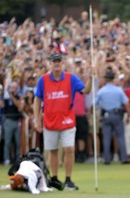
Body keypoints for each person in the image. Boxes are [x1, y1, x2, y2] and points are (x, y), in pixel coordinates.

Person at [33, 53, 92, 190]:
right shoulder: (44, 79)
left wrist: (90, 78)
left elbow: (86, 90)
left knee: (69, 149)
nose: (57, 64)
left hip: (67, 120)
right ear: (50, 64)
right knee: (53, 151)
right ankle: (54, 179)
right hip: (50, 120)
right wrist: (37, 119)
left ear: (62, 63)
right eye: (54, 62)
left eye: (59, 61)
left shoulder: (71, 78)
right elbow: (37, 99)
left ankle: (68, 180)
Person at [95, 70, 130, 164]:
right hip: (117, 115)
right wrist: (129, 115)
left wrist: (92, 112)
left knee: (106, 138)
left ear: (106, 79)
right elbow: (127, 103)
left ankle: (107, 159)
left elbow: (94, 104)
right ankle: (123, 158)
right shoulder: (118, 90)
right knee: (120, 137)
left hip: (106, 115)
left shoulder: (101, 91)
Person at [0, 82, 24, 166]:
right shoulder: (6, 98)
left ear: (17, 89)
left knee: (18, 142)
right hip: (8, 121)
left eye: (14, 88)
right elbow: (2, 106)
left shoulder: (18, 97)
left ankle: (18, 159)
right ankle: (7, 158)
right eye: (11, 88)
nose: (13, 89)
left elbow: (19, 107)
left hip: (17, 121)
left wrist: (12, 96)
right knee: (7, 142)